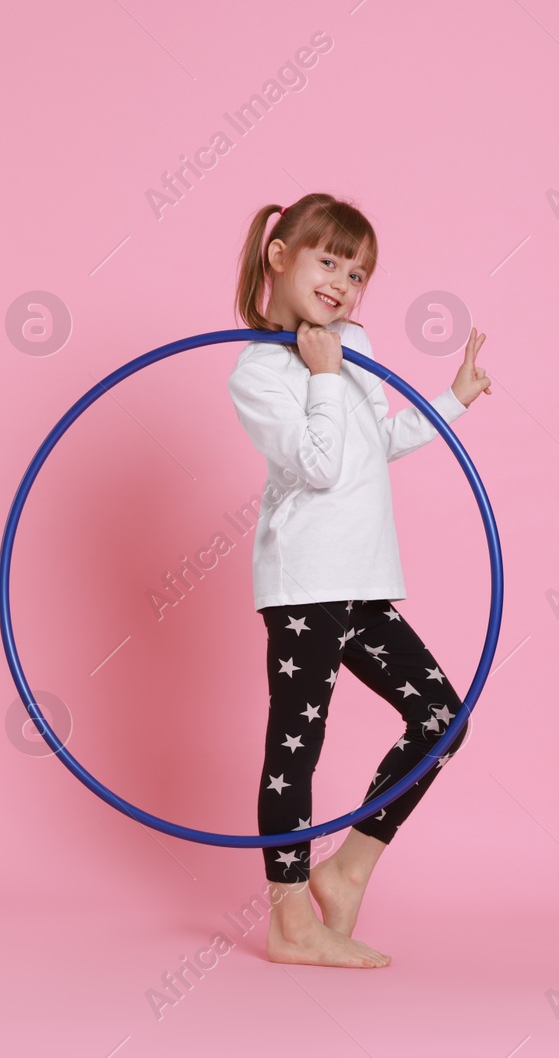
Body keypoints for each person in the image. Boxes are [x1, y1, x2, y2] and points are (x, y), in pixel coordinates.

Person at [225, 192, 493, 968]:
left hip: (365, 580)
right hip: (305, 584)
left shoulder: (352, 344)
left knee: (442, 717)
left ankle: (345, 870)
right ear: (280, 258)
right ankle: (288, 919)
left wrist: (454, 400)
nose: (344, 281)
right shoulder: (258, 372)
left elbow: (373, 444)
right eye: (329, 260)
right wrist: (319, 374)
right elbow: (317, 464)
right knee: (296, 745)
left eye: (360, 271)